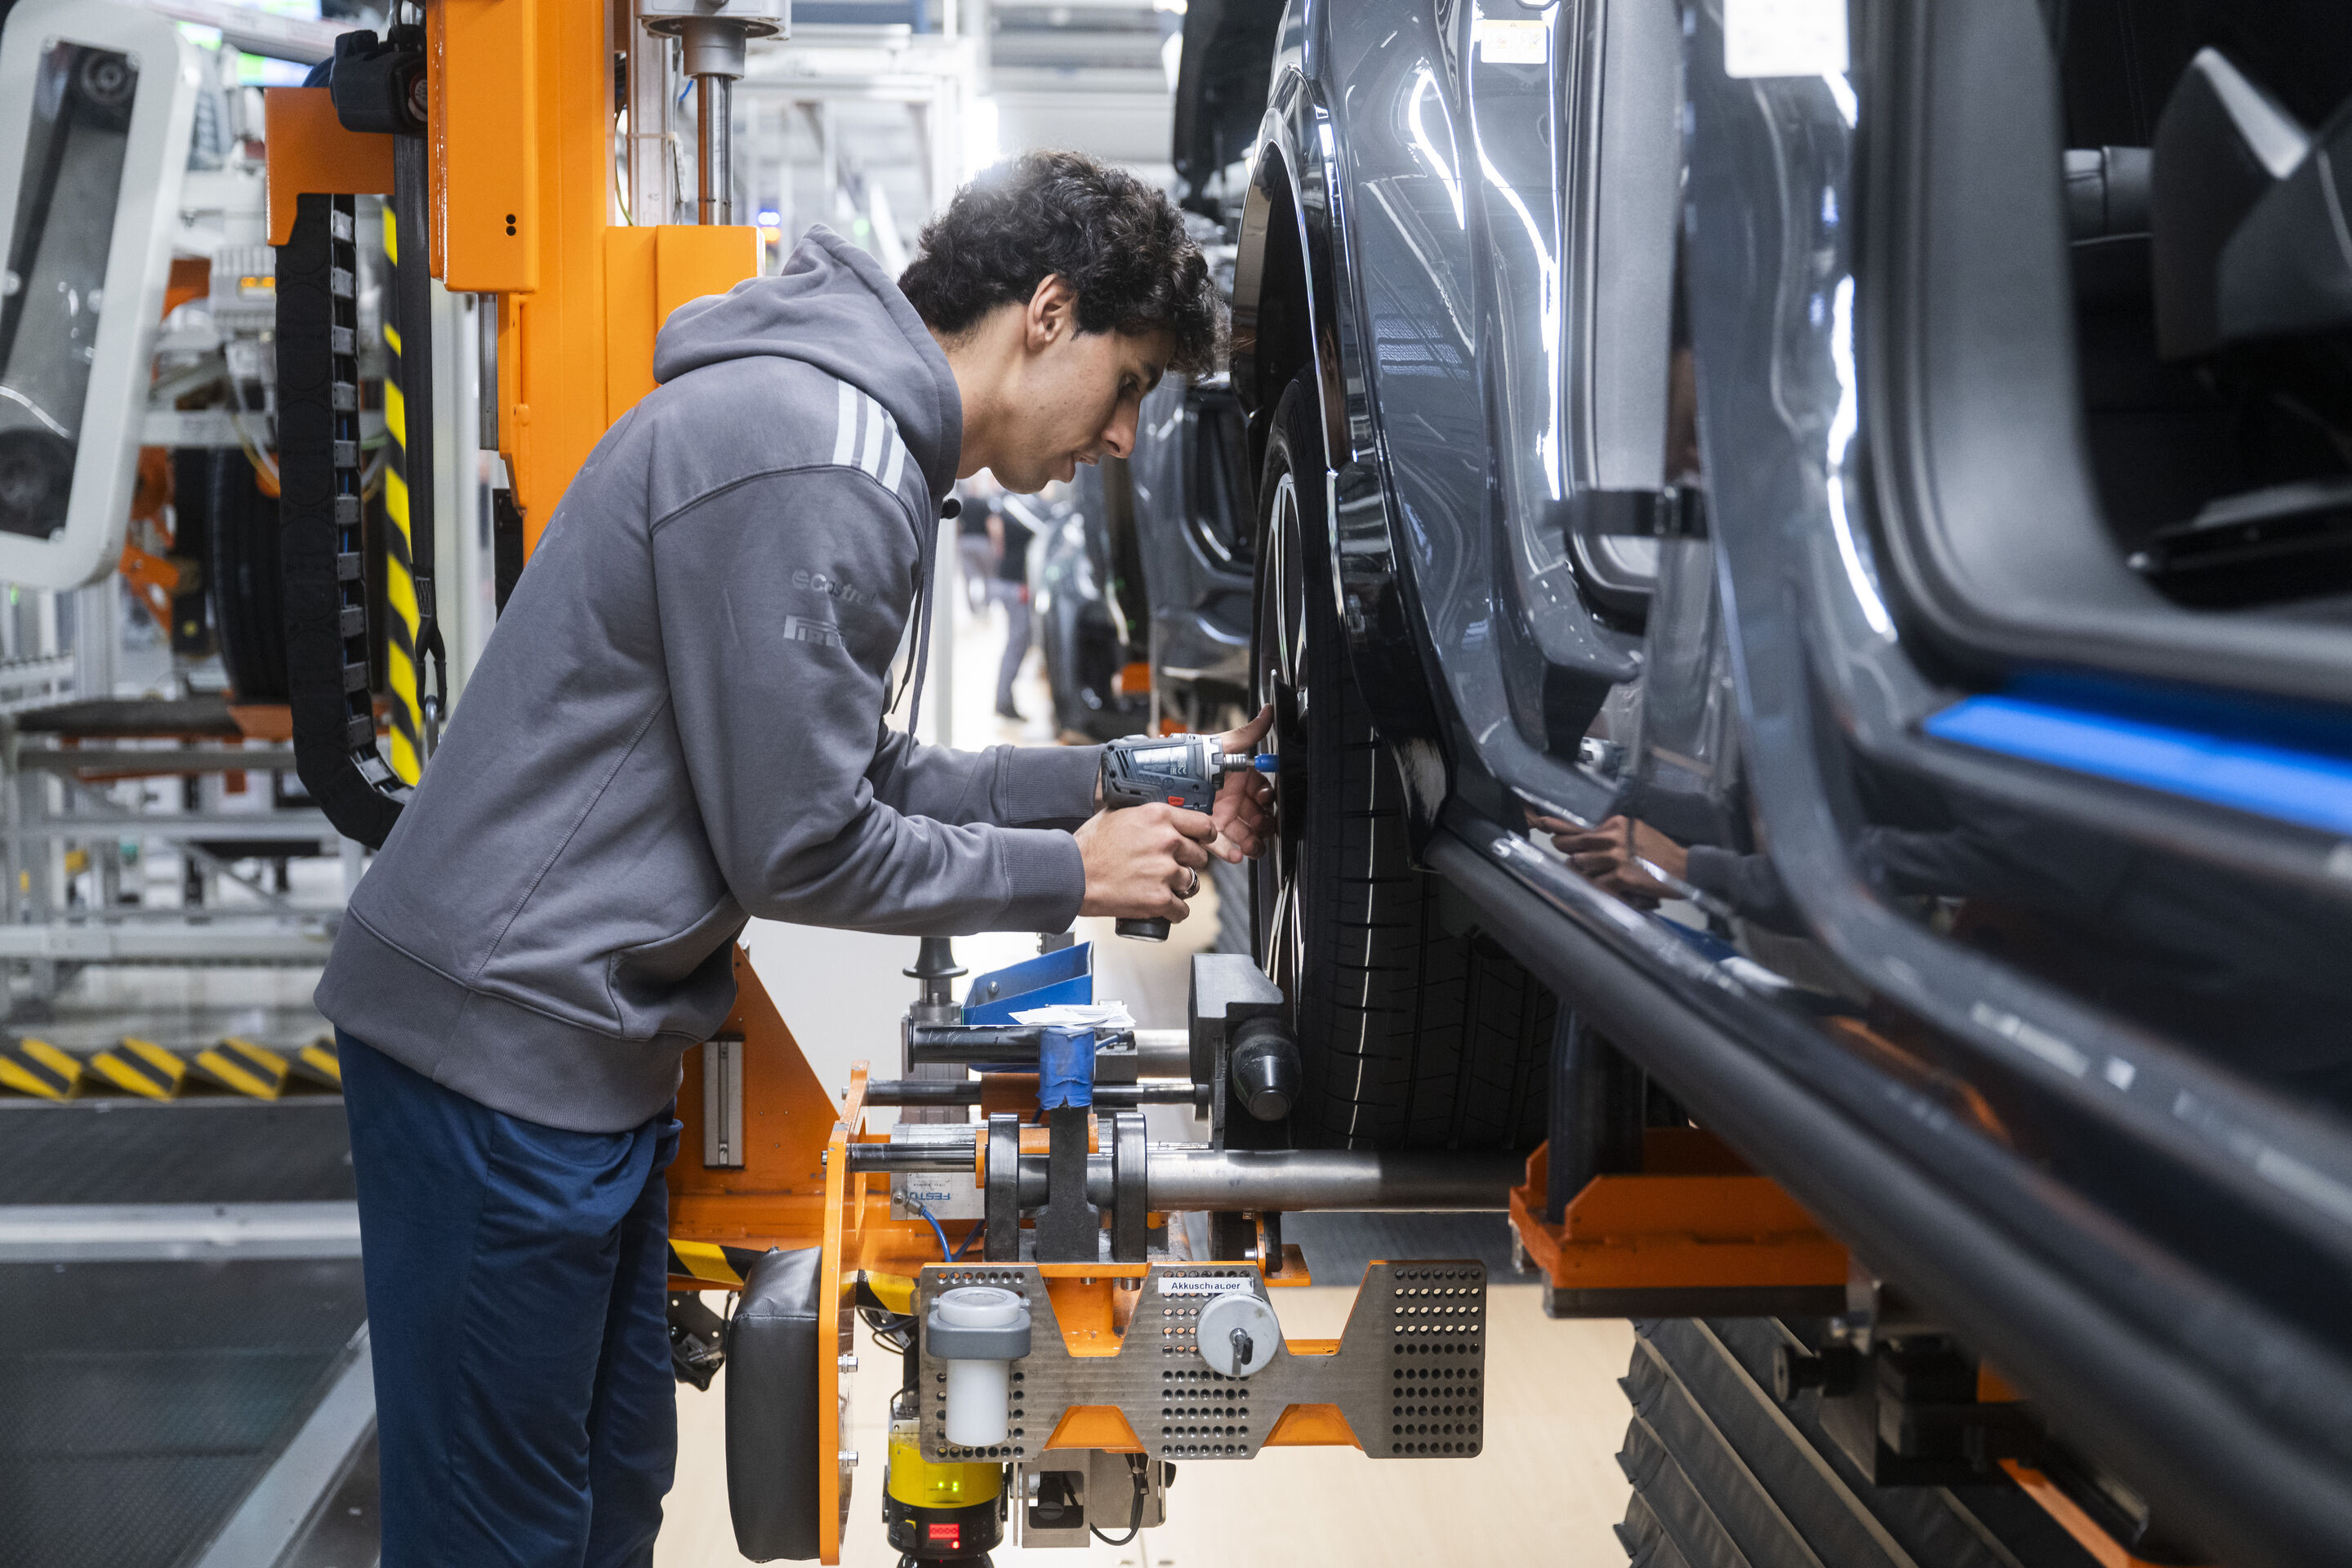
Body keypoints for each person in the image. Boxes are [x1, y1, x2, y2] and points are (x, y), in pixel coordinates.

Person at [314, 150, 1270, 1568]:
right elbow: (804, 844)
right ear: (1049, 315)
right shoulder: (820, 455)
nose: (1126, 438)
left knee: (605, 1497)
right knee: (502, 1539)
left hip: (576, 1059)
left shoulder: (851, 442)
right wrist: (1071, 875)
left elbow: (860, 768)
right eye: (1129, 384)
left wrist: (1130, 780)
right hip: (498, 1051)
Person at [989, 492, 1037, 720]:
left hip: (1009, 582)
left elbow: (997, 541)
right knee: (1016, 644)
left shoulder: (1006, 508)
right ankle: (1004, 700)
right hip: (1018, 586)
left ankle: (1004, 698)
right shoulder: (1025, 511)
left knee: (1016, 643)